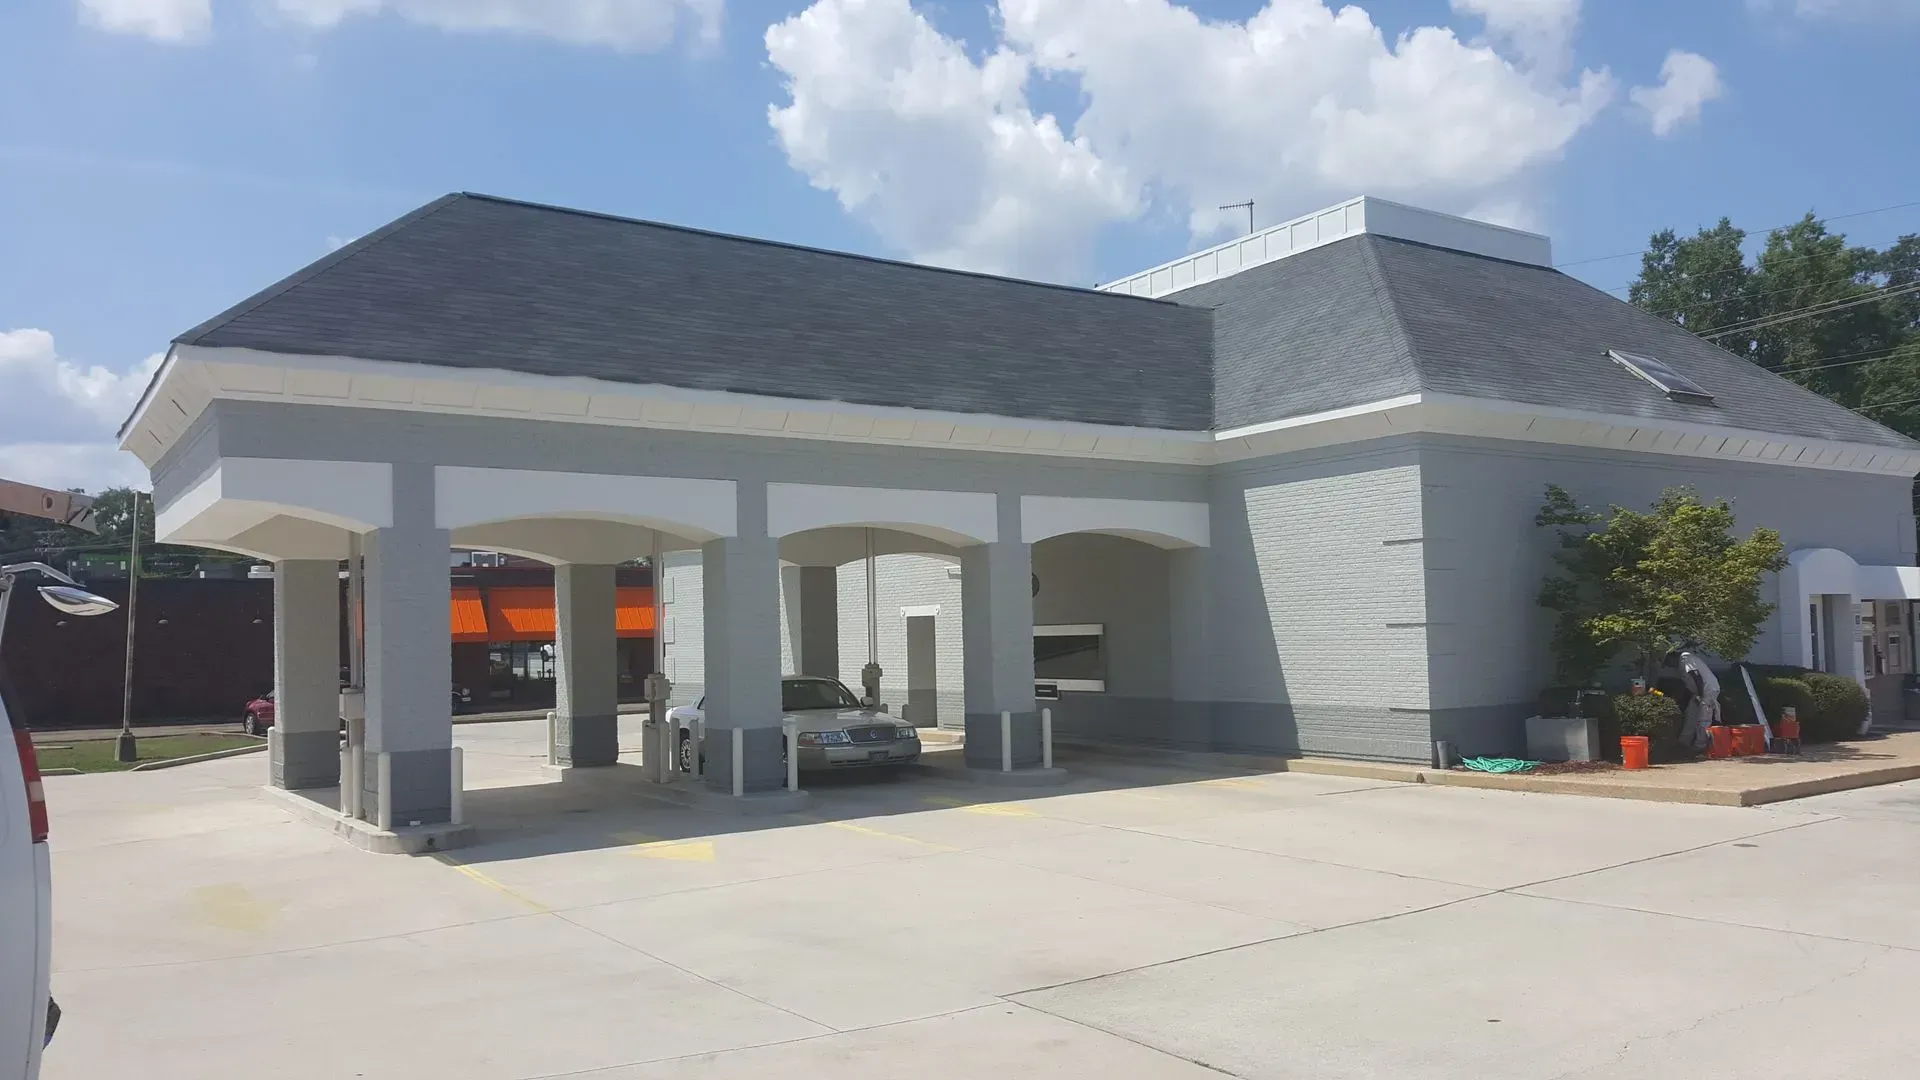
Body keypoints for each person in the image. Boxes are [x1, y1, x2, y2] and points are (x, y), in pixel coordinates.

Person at [1669, 643, 1719, 753]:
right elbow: (1689, 683)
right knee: (1690, 714)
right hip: (1699, 692)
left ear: (1672, 657)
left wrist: (1700, 697)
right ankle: (1684, 743)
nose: (1669, 666)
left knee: (1703, 720)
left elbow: (1696, 676)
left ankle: (1700, 747)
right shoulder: (1683, 661)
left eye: (1668, 662)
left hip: (1706, 692)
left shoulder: (1685, 659)